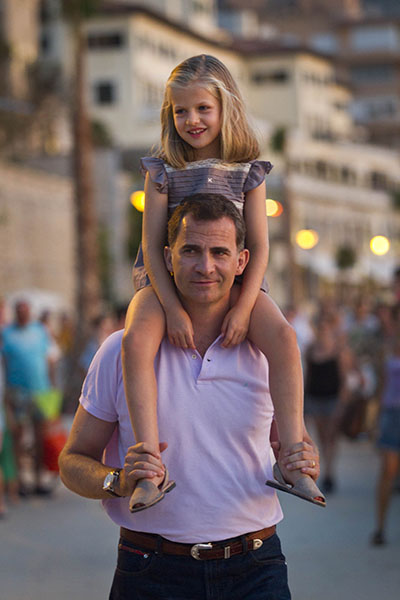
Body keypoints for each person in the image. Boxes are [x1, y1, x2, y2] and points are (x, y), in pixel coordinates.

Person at [59, 196, 321, 600]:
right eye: (191, 251)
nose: (205, 266)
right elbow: (72, 460)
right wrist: (117, 481)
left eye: (220, 252)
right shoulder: (120, 350)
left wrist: (300, 460)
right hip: (150, 569)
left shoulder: (266, 352)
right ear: (166, 257)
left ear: (241, 261)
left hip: (256, 566)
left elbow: (285, 445)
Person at [122, 54, 324, 511]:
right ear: (169, 115)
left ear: (224, 108)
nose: (191, 120)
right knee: (136, 341)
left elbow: (260, 247)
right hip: (165, 279)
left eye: (202, 109)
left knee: (285, 337)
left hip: (234, 282)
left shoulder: (248, 170)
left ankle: (292, 455)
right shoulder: (161, 170)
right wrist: (171, 307)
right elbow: (154, 247)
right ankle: (149, 466)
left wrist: (243, 306)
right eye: (181, 111)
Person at [1, 300, 53, 495]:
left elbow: (49, 359)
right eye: (19, 310)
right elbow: (4, 364)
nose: (23, 313)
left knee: (41, 436)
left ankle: (39, 478)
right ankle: (20, 479)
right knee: (19, 437)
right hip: (18, 393)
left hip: (41, 391)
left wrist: (53, 389)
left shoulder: (40, 331)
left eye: (25, 310)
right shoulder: (6, 333)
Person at [371, 316, 400, 546]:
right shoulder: (386, 349)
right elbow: (380, 387)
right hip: (391, 415)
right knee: (387, 472)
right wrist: (374, 422)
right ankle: (380, 527)